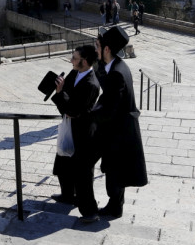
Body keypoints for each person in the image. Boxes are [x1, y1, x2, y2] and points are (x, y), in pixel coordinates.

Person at [91, 26, 148, 218]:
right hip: (121, 127)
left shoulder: (116, 73)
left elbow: (109, 107)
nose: (95, 49)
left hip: (118, 130)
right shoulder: (117, 66)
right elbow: (107, 84)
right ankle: (116, 204)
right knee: (117, 169)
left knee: (114, 170)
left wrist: (90, 114)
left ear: (107, 50)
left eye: (98, 46)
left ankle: (115, 207)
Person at [49, 45, 101, 223]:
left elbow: (73, 110)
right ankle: (67, 195)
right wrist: (60, 88)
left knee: (83, 175)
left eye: (74, 58)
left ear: (84, 62)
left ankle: (90, 212)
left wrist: (60, 93)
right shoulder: (75, 73)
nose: (71, 60)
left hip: (84, 134)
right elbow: (67, 95)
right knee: (63, 162)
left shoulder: (91, 84)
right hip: (70, 127)